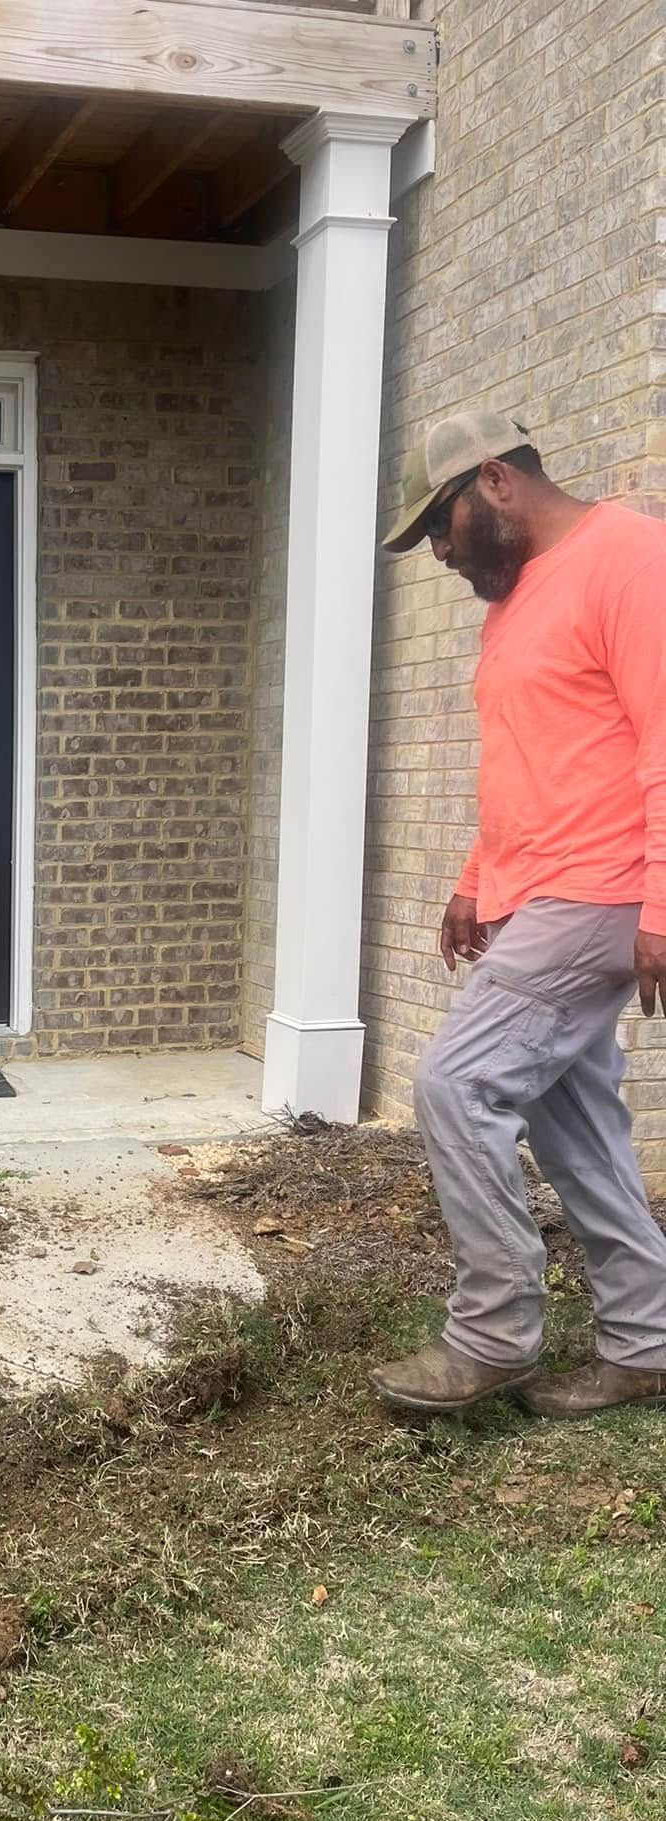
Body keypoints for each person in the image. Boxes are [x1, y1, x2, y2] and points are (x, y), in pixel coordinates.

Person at [367, 410, 666, 1419]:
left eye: (440, 527)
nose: (441, 552)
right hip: (541, 884)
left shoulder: (627, 555)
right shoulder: (519, 597)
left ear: (494, 480)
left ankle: (492, 1334)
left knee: (455, 1084)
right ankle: (647, 1340)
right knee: (574, 1122)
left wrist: (662, 900)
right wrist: (474, 875)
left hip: (600, 887)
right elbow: (533, 760)